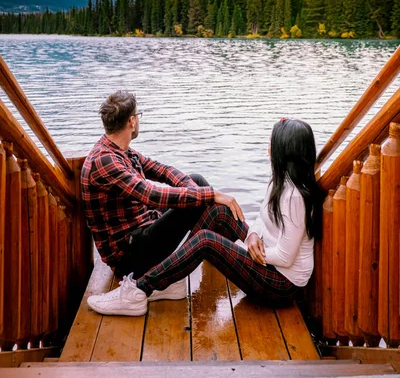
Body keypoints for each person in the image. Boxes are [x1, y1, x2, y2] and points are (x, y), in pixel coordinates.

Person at [87, 117, 323, 316]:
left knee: (207, 241)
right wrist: (251, 235)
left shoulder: (295, 197)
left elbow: (284, 257)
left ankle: (138, 291)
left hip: (280, 285)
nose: (268, 147)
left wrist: (247, 250)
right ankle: (170, 280)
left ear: (285, 152)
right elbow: (262, 218)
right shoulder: (280, 182)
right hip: (265, 260)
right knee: (218, 211)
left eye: (273, 143)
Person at [81, 90, 247, 305]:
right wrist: (209, 194)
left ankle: (232, 248)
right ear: (131, 121)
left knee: (196, 181)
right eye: (139, 115)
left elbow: (161, 170)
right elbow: (152, 195)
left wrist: (196, 191)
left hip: (141, 233)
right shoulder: (105, 161)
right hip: (129, 259)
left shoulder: (119, 151)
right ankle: (240, 247)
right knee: (204, 196)